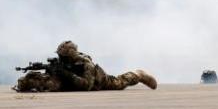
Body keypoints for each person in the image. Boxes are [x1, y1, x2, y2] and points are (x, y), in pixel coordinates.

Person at [13, 40, 158, 92]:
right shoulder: (63, 62)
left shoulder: (85, 64)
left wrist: (66, 74)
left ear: (70, 55)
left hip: (98, 80)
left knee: (119, 83)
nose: (60, 58)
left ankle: (138, 74)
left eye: (62, 56)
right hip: (73, 81)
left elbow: (86, 86)